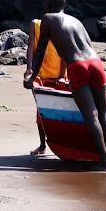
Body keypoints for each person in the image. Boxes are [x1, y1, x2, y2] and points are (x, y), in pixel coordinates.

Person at [23, 0, 106, 171]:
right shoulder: (77, 21)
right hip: (96, 63)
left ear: (48, 4)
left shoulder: (48, 18)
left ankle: (105, 165)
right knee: (103, 114)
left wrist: (32, 77)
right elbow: (89, 45)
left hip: (78, 66)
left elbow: (40, 50)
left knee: (91, 115)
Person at [24, 17, 67, 155]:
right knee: (41, 114)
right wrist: (29, 69)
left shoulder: (63, 23)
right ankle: (42, 145)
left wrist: (61, 75)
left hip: (59, 75)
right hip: (41, 75)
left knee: (62, 111)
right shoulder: (35, 24)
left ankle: (61, 143)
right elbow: (31, 46)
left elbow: (64, 51)